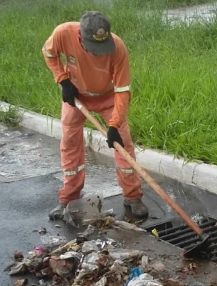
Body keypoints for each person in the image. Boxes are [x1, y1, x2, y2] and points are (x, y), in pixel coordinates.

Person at [42, 11, 148, 226]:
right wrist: (63, 80)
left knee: (122, 144)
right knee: (70, 143)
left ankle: (132, 196)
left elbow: (123, 90)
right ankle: (69, 200)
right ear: (81, 36)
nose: (99, 54)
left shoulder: (117, 48)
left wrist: (114, 124)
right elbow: (49, 54)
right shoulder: (63, 33)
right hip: (77, 96)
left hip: (108, 97)